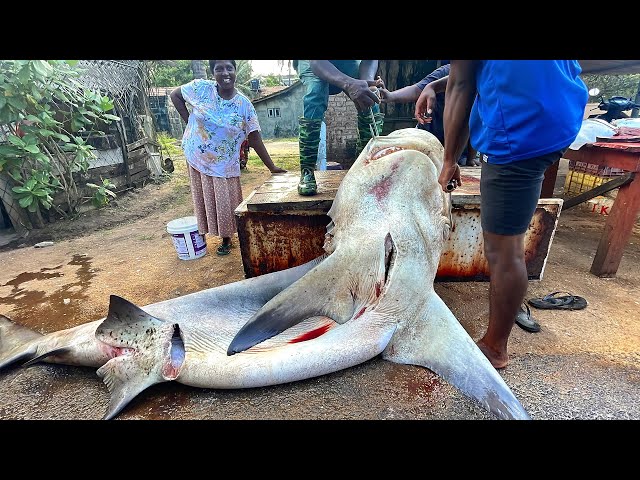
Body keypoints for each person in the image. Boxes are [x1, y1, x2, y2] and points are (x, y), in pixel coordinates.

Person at [425, 60, 588, 369]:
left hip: (520, 131)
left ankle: (494, 348)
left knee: (504, 251)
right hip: (560, 116)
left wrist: (449, 161)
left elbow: (462, 84)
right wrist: (433, 85)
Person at [170, 60, 286, 256]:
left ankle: (226, 237)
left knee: (226, 203)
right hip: (197, 156)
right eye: (219, 69)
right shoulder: (201, 88)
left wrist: (272, 167)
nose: (225, 73)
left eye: (229, 68)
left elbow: (254, 138)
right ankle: (204, 233)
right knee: (204, 198)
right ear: (212, 72)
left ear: (235, 72)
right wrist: (188, 121)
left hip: (224, 164)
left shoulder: (244, 105)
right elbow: (175, 95)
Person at [293, 60, 383, 195]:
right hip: (314, 64)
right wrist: (349, 84)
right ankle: (307, 172)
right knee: (316, 93)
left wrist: (367, 82)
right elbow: (317, 63)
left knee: (369, 98)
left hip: (347, 64)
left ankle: (367, 167)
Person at [379, 62, 478, 166]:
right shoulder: (445, 72)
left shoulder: (483, 77)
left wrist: (470, 158)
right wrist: (391, 96)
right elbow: (417, 89)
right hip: (427, 141)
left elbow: (477, 121)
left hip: (459, 151)